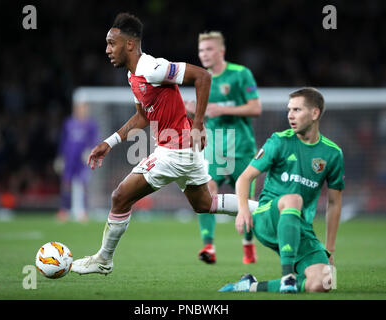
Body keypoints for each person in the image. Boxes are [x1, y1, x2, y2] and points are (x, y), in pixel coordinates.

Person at [71, 13, 258, 275]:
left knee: (120, 196)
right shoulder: (132, 76)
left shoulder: (153, 68)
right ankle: (271, 210)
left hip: (176, 150)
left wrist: (198, 124)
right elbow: (142, 116)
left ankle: (103, 260)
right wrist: (109, 142)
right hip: (178, 150)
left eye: (112, 43)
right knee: (205, 204)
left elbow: (203, 77)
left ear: (129, 45)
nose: (107, 50)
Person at [219, 87, 344, 293]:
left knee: (324, 283)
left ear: (315, 113)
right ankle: (288, 277)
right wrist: (243, 210)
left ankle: (250, 286)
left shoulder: (332, 153)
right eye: (289, 110)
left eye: (297, 110)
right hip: (268, 216)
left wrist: (329, 249)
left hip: (300, 227)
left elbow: (334, 202)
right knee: (293, 199)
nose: (290, 115)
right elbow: (244, 178)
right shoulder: (279, 141)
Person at [185, 31, 261, 265]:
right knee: (206, 190)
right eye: (201, 50)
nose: (204, 54)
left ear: (221, 52)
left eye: (208, 49)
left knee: (245, 201)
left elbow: (255, 108)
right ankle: (208, 245)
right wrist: (194, 109)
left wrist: (222, 109)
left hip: (242, 148)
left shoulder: (240, 74)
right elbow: (203, 111)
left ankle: (248, 245)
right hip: (215, 148)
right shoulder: (202, 78)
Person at [55, 102, 98, 222]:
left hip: (83, 159)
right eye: (80, 108)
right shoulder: (69, 123)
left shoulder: (91, 124)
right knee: (66, 183)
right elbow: (63, 140)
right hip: (69, 159)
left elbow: (94, 139)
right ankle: (64, 210)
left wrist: (90, 151)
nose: (83, 111)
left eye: (85, 108)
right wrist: (60, 157)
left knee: (83, 183)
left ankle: (83, 211)